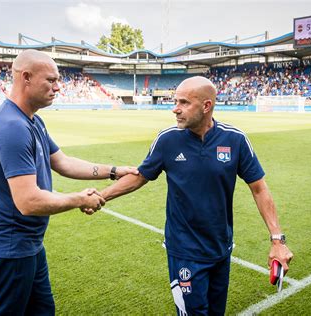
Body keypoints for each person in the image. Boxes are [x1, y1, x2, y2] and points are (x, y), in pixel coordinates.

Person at [99, 76, 293, 315]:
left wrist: (277, 240)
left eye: (183, 102)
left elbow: (259, 188)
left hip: (221, 247)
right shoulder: (167, 139)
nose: (175, 109)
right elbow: (141, 176)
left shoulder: (235, 139)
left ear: (206, 106)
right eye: (175, 101)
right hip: (184, 251)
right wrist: (101, 196)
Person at [0, 49, 138, 315]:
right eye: (51, 80)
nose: (58, 87)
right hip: (9, 247)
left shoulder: (32, 121)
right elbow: (28, 201)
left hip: (27, 245)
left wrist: (114, 170)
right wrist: (79, 199)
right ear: (26, 77)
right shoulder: (12, 127)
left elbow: (63, 162)